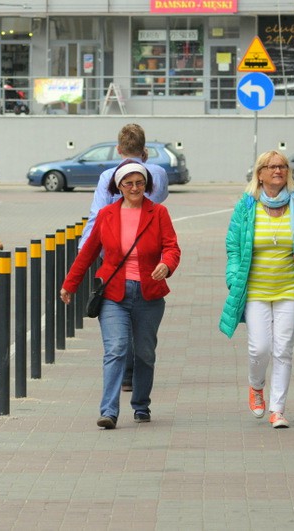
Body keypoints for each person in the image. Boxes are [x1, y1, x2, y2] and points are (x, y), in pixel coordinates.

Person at [60, 160, 180, 429]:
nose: (134, 188)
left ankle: (141, 404)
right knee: (116, 349)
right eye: (129, 183)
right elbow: (88, 252)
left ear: (146, 185)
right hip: (114, 293)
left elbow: (172, 248)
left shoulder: (158, 213)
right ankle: (109, 411)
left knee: (145, 353)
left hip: (149, 294)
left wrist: (167, 264)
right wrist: (70, 284)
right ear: (119, 186)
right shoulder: (107, 215)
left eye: (139, 183)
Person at [219, 150, 294, 429]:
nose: (278, 170)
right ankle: (256, 385)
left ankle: (278, 409)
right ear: (260, 174)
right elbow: (233, 248)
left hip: (290, 289)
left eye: (283, 166)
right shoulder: (246, 206)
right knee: (259, 348)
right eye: (272, 166)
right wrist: (233, 278)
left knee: (283, 349)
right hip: (255, 291)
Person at [79, 123, 170, 393]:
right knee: (141, 316)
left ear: (118, 149)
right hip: (150, 255)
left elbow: (97, 213)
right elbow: (161, 197)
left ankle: (126, 373)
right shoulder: (158, 173)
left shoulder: (110, 175)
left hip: (113, 254)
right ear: (146, 151)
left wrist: (84, 250)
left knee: (118, 311)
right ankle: (134, 375)